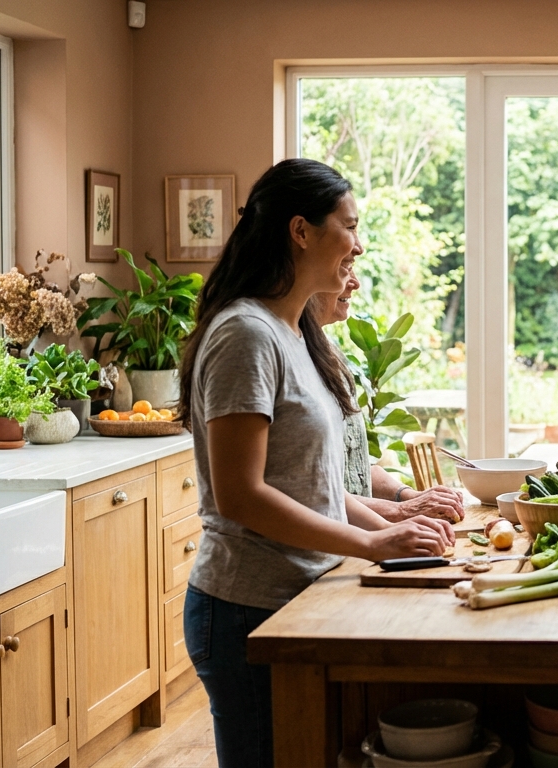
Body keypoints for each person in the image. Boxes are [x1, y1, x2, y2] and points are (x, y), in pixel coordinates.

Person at [177, 159, 456, 767]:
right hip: (247, 605)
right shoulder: (245, 335)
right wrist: (374, 545)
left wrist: (393, 529)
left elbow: (313, 484)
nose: (358, 244)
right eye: (349, 226)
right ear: (301, 231)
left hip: (297, 597)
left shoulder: (293, 333)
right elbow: (242, 496)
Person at [311, 269, 465, 522]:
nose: (355, 283)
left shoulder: (329, 350)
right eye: (343, 267)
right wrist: (403, 512)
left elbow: (355, 469)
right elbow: (310, 493)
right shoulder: (276, 348)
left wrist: (410, 496)